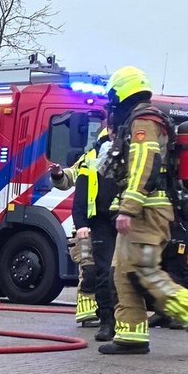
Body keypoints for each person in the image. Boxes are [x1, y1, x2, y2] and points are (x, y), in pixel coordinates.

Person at [96, 66, 188, 355]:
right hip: (144, 210)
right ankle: (132, 336)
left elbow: (144, 163)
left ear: (124, 90)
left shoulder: (144, 122)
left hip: (147, 211)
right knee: (125, 273)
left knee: (143, 271)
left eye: (114, 94)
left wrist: (129, 206)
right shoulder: (140, 120)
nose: (112, 101)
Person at [51, 127, 117, 341]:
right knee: (91, 270)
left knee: (110, 273)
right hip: (91, 224)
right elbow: (70, 177)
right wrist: (58, 174)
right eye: (107, 139)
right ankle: (94, 314)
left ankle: (112, 316)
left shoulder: (127, 155)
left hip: (114, 221)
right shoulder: (89, 159)